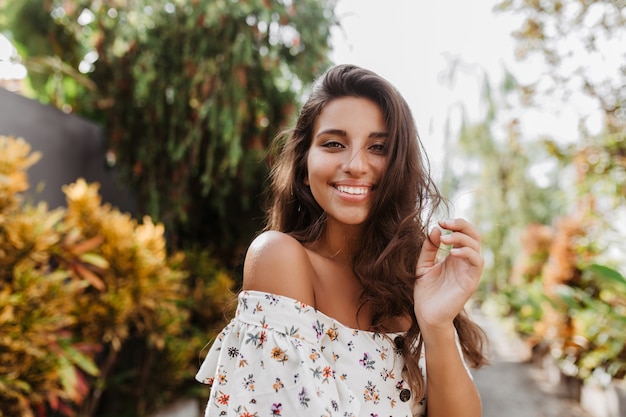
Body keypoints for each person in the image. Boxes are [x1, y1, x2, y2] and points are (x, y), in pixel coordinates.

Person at [196, 64, 489, 417]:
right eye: (334, 143)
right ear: (304, 165)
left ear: (399, 165)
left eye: (378, 147)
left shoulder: (410, 283)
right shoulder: (280, 259)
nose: (355, 164)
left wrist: (437, 324)